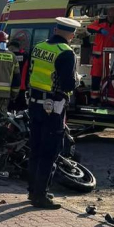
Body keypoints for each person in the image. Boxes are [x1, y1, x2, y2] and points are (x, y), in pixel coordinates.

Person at [26, 16, 80, 209]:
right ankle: (40, 196)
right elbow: (67, 84)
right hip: (53, 108)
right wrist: (77, 80)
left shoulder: (39, 47)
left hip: (34, 104)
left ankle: (33, 190)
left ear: (56, 30)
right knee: (49, 152)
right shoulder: (66, 52)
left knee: (35, 149)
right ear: (71, 34)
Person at [87, 6, 114, 101]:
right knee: (96, 78)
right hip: (98, 56)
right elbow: (89, 27)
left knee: (110, 79)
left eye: (113, 15)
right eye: (109, 15)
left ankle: (106, 98)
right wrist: (99, 30)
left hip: (112, 56)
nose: (111, 17)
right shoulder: (100, 21)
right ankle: (94, 100)